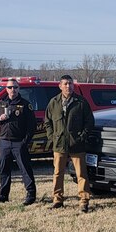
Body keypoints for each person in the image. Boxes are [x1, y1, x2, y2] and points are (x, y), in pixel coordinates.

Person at [44, 75, 94, 212]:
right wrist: (52, 137)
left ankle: (84, 200)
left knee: (81, 174)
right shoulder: (53, 102)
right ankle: (57, 200)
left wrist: (82, 137)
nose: (68, 86)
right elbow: (47, 121)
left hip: (76, 145)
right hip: (59, 144)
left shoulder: (81, 102)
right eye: (65, 84)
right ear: (60, 86)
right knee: (58, 173)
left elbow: (89, 122)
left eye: (70, 84)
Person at [0, 78, 36, 205]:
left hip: (19, 143)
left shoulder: (25, 105)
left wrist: (24, 142)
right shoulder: (0, 104)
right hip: (4, 142)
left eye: (15, 87)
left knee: (25, 169)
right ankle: (3, 196)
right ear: (6, 89)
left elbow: (32, 126)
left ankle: (31, 195)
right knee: (4, 169)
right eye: (10, 87)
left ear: (19, 89)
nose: (13, 90)